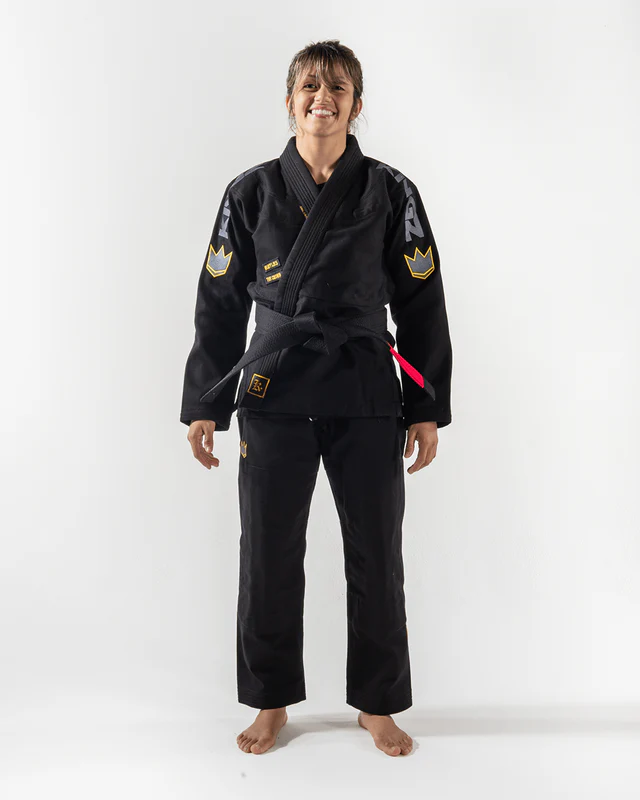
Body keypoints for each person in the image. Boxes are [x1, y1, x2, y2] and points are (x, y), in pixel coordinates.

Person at [180, 40, 453, 757]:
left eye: (337, 87)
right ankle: (270, 699)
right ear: (290, 100)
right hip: (272, 388)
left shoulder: (391, 191)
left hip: (365, 388)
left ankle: (378, 703)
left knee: (376, 554)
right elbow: (218, 300)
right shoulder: (249, 192)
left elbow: (422, 301)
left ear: (357, 106)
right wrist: (206, 401)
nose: (321, 98)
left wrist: (426, 407)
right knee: (268, 553)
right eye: (309, 85)